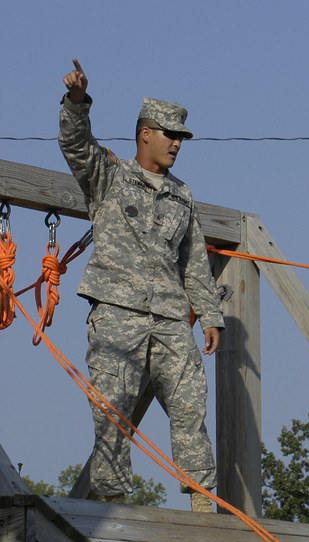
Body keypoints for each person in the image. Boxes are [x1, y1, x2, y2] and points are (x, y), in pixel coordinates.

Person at [59, 59, 224, 512]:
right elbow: (76, 145)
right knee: (112, 408)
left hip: (171, 319)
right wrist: (77, 103)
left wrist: (209, 314)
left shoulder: (182, 195)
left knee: (192, 409)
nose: (176, 143)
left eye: (181, 137)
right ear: (144, 134)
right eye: (169, 134)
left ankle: (203, 503)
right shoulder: (109, 177)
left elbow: (193, 261)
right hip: (116, 313)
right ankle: (113, 504)